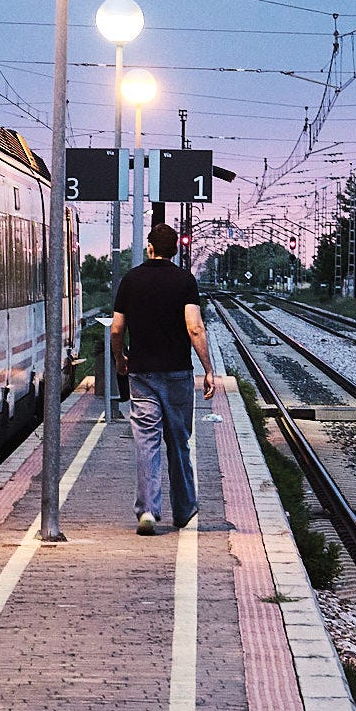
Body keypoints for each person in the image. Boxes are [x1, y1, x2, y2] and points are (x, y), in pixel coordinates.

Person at [109, 221, 216, 534]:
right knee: (179, 441)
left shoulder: (131, 280)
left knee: (147, 442)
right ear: (176, 250)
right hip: (178, 373)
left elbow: (116, 328)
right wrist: (208, 369)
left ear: (150, 248)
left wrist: (120, 358)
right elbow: (194, 327)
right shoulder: (185, 281)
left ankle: (148, 511)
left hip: (141, 373)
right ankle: (183, 509)